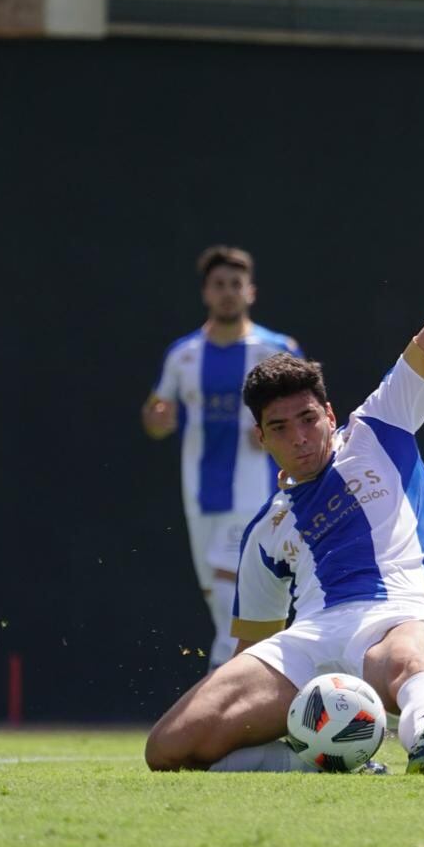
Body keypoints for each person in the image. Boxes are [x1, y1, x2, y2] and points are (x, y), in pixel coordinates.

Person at [145, 144, 424, 775]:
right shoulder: (268, 528)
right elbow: (252, 648)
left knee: (410, 663)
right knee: (170, 749)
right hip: (310, 639)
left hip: (395, 613)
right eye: (281, 428)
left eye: (309, 418)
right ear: (262, 439)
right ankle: (322, 764)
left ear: (331, 413)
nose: (301, 436)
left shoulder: (383, 423)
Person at [142, 246, 301, 670]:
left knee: (234, 609)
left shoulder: (276, 350)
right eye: (219, 285)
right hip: (200, 499)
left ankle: (225, 701)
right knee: (223, 603)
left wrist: (273, 432)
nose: (228, 292)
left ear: (250, 291)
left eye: (236, 284)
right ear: (206, 293)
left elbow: (308, 417)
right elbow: (156, 419)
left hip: (257, 496)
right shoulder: (184, 355)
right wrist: (157, 418)